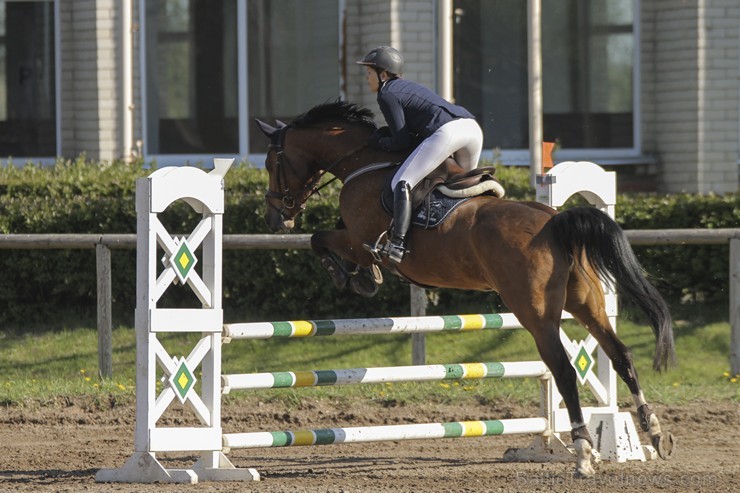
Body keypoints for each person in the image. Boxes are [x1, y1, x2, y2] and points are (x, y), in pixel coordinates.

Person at [357, 46, 483, 264]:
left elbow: (401, 141)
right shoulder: (406, 87)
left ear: (383, 74)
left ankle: (397, 243)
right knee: (464, 188)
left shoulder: (387, 94)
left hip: (449, 131)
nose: (367, 79)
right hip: (472, 129)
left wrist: (378, 141)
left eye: (369, 73)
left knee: (402, 181)